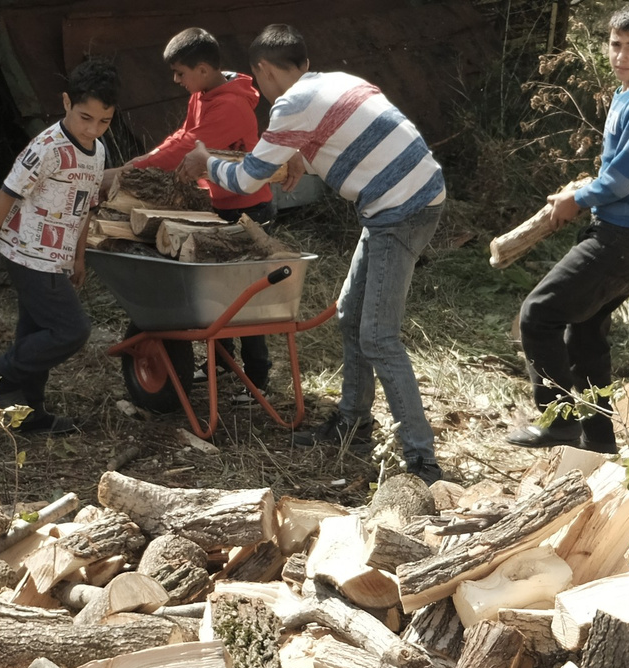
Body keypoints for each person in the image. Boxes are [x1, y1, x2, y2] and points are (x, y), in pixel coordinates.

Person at [183, 24, 450, 483]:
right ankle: (353, 422)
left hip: (400, 210)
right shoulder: (338, 81)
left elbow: (246, 180)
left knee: (378, 336)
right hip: (409, 199)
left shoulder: (290, 105)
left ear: (263, 70)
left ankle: (422, 461)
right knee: (349, 314)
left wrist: (206, 162)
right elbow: (343, 136)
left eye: (259, 80)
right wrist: (299, 155)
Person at [509, 6, 629, 451]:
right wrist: (586, 192)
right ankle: (600, 441)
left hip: (621, 240)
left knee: (538, 315)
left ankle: (559, 422)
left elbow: (620, 182)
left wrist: (577, 199)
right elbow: (619, 174)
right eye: (616, 44)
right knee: (584, 335)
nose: (621, 55)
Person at [0, 57, 121, 436]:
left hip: (58, 258)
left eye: (104, 121)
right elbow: (7, 194)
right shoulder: (47, 147)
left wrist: (78, 257)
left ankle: (27, 415)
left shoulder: (98, 151)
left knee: (35, 330)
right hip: (28, 255)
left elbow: (86, 207)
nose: (93, 129)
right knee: (72, 331)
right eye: (85, 118)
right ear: (67, 102)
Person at [130, 27, 278, 390]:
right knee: (216, 294)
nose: (176, 80)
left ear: (203, 69)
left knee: (244, 296)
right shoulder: (203, 93)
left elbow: (186, 151)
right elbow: (182, 136)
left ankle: (256, 376)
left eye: (180, 72)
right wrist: (141, 160)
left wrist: (131, 170)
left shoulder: (229, 106)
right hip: (219, 205)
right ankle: (223, 364)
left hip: (248, 210)